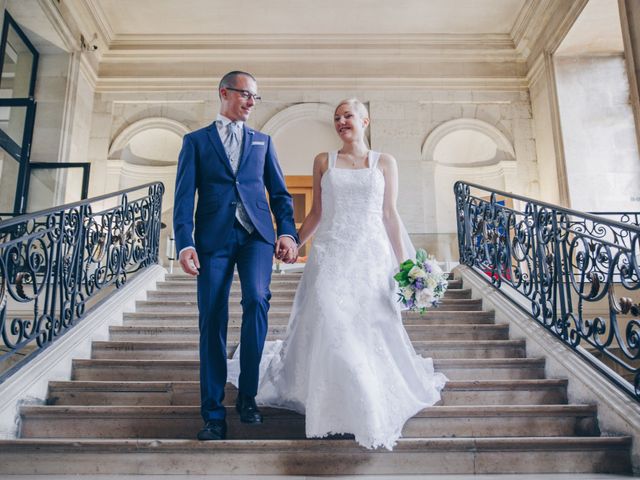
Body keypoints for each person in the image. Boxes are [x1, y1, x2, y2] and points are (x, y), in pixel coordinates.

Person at [229, 98, 447, 450]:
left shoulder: (385, 162)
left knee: (368, 328)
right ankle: (335, 399)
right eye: (337, 118)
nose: (341, 121)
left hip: (371, 258)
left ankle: (360, 400)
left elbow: (389, 215)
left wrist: (406, 264)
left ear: (365, 120)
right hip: (331, 255)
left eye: (348, 115)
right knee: (331, 318)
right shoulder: (322, 161)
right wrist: (293, 244)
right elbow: (316, 212)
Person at [173, 71, 299, 441]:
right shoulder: (195, 141)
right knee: (211, 315)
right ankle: (213, 413)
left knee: (257, 299)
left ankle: (247, 395)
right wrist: (185, 242)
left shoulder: (263, 141)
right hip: (212, 239)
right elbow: (183, 198)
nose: (251, 102)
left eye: (255, 97)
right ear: (224, 92)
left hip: (256, 237)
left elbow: (280, 194)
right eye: (246, 94)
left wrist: (288, 232)